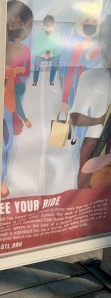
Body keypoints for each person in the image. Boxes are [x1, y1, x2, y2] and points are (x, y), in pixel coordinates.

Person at [69, 15, 111, 189]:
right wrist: (99, 120)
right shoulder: (91, 76)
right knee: (87, 192)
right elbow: (75, 117)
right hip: (96, 144)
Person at [1, 0, 33, 198]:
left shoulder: (25, 50)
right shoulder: (1, 47)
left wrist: (15, 74)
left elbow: (27, 71)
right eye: (12, 23)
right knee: (6, 140)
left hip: (14, 91)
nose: (15, 26)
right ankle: (1, 179)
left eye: (18, 23)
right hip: (3, 93)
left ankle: (2, 178)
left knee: (9, 140)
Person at [32, 15, 61, 86]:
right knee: (36, 62)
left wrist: (51, 54)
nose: (48, 29)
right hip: (42, 54)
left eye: (50, 26)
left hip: (52, 54)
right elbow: (35, 49)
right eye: (46, 26)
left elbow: (59, 49)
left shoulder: (56, 36)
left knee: (56, 61)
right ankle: (35, 80)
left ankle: (51, 80)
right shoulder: (40, 36)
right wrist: (42, 54)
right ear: (43, 26)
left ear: (53, 26)